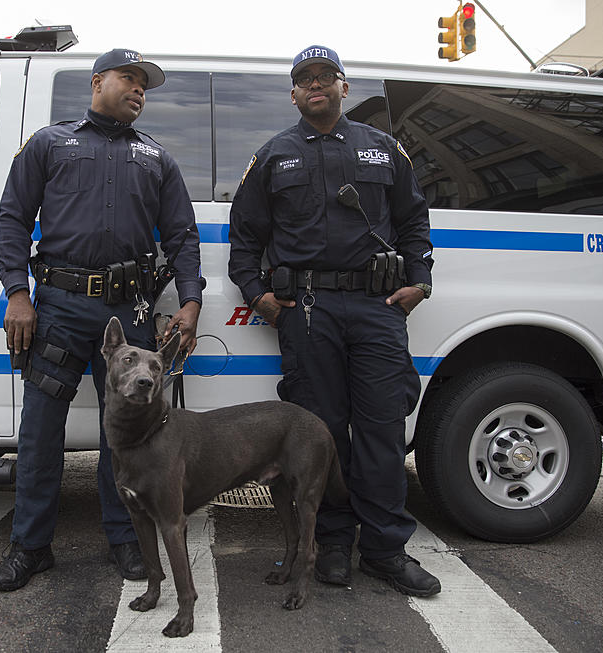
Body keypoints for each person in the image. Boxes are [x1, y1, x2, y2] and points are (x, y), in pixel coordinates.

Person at [228, 46, 440, 597]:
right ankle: (334, 543)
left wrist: (420, 282)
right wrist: (259, 297)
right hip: (308, 313)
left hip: (376, 310)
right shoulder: (274, 156)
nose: (315, 85)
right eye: (305, 79)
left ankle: (387, 551)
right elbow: (244, 239)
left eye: (326, 77)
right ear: (294, 94)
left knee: (382, 431)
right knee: (319, 438)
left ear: (344, 88)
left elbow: (415, 221)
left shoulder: (383, 149)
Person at [0, 49, 202, 591]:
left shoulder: (157, 158)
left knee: (129, 437)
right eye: (129, 79)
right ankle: (31, 547)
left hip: (127, 313)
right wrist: (18, 295)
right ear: (97, 81)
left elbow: (181, 235)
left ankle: (127, 541)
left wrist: (190, 301)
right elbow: (13, 217)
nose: (138, 90)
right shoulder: (49, 143)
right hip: (57, 307)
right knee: (40, 432)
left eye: (144, 85)